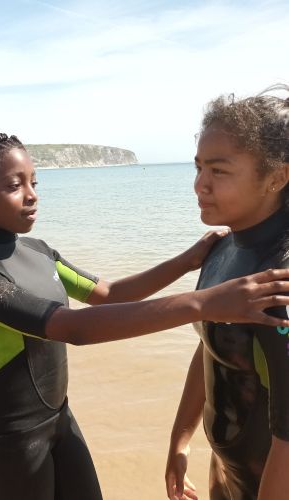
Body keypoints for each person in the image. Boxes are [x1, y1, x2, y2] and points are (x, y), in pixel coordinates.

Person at [0, 132, 289, 500]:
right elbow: (72, 327)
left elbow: (110, 294)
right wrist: (205, 302)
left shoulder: (38, 251)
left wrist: (188, 260)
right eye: (15, 186)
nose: (32, 195)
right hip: (10, 433)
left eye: (34, 182)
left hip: (58, 416)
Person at [165, 86, 289, 500]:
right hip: (227, 471)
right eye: (198, 167)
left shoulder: (278, 280)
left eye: (218, 171)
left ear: (276, 177)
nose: (199, 185)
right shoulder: (221, 250)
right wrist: (180, 440)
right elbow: (212, 346)